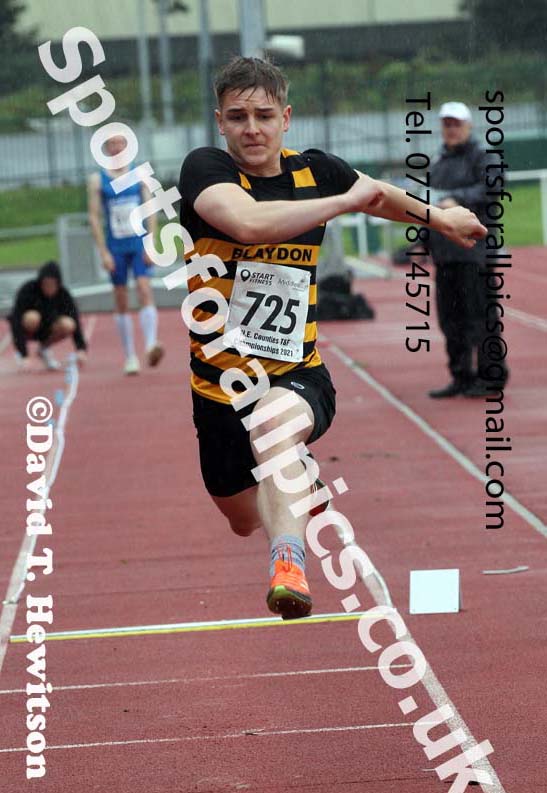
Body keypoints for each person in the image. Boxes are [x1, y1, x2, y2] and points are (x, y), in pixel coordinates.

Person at [179, 58, 486, 619]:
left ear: (286, 118)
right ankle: (298, 481)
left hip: (298, 376)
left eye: (265, 115)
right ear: (219, 121)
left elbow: (380, 195)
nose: (253, 128)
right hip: (220, 389)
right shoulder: (206, 171)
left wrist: (440, 220)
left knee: (273, 427)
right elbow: (248, 224)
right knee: (243, 518)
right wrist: (346, 200)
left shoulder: (315, 170)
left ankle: (290, 565)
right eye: (239, 116)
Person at [428, 101, 509, 398]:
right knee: (450, 320)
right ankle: (461, 376)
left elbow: (492, 187)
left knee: (480, 318)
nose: (450, 129)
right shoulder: (438, 160)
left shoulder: (483, 156)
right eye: (446, 124)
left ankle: (490, 378)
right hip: (445, 254)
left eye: (456, 123)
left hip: (475, 253)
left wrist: (455, 199)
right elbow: (430, 204)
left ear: (468, 125)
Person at [88, 134, 164, 375]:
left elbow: (151, 209)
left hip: (138, 243)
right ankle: (130, 356)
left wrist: (151, 243)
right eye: (112, 144)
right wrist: (103, 252)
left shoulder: (139, 174)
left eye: (121, 143)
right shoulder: (97, 180)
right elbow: (94, 217)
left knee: (144, 289)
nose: (117, 148)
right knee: (121, 298)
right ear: (106, 149)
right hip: (116, 247)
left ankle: (151, 344)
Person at [9, 260, 87, 371]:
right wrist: (23, 354)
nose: (48, 287)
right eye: (46, 284)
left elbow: (75, 319)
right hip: (29, 328)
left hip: (49, 329)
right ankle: (21, 353)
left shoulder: (63, 295)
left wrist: (81, 349)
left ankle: (43, 348)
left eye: (52, 284)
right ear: (40, 282)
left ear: (58, 283)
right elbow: (15, 319)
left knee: (68, 324)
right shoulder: (28, 290)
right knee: (32, 317)